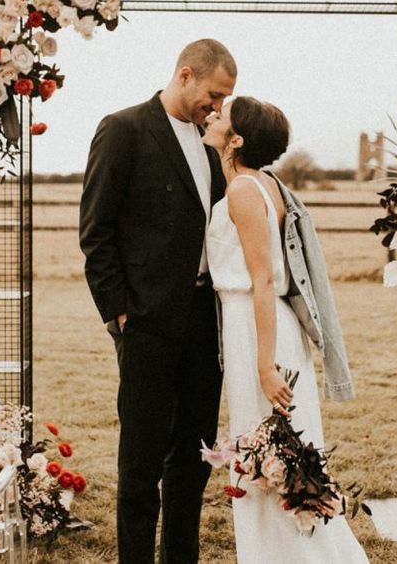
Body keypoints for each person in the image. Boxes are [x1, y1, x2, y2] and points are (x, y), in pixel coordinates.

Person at [79, 38, 237, 563]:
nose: (216, 106)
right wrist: (121, 314)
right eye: (213, 94)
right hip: (145, 322)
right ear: (186, 74)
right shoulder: (123, 129)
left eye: (224, 99)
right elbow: (96, 233)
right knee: (141, 465)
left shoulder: (209, 140)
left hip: (203, 321)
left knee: (193, 462)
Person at [202, 96, 369, 563]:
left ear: (236, 140)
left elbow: (263, 280)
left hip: (258, 328)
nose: (213, 115)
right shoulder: (265, 183)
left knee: (270, 456)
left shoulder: (242, 191)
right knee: (277, 455)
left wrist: (263, 364)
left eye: (223, 115)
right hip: (258, 325)